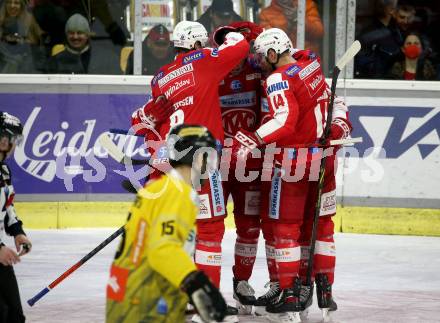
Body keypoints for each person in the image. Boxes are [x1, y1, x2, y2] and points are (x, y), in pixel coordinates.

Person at [130, 20, 250, 323]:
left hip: (170, 165)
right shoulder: (205, 61)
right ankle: (204, 306)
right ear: (197, 45)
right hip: (202, 160)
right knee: (209, 231)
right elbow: (241, 46)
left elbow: (142, 123)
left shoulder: (161, 77)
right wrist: (228, 33)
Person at [231, 28, 352, 322]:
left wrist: (252, 138)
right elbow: (335, 105)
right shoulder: (311, 64)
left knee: (284, 228)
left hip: (292, 162)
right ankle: (323, 290)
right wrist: (339, 127)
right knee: (321, 227)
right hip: (324, 159)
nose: (259, 63)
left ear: (273, 53)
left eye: (262, 57)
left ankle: (289, 293)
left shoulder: (277, 79)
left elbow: (284, 120)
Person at [106, 124, 227, 323]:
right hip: (141, 299)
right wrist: (196, 283)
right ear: (196, 158)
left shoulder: (163, 187)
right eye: (209, 157)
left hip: (131, 291)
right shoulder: (176, 194)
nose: (211, 167)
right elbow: (163, 249)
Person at [213, 21, 264, 315]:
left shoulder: (259, 71)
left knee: (249, 228)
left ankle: (242, 283)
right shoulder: (209, 72)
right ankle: (206, 286)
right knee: (211, 229)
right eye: (223, 45)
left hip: (253, 164)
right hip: (217, 165)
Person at [0, 111, 32, 323]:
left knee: (14, 315)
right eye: (12, 139)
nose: (10, 143)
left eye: (14, 139)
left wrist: (17, 231)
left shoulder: (4, 171)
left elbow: (7, 208)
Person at [47, 13, 120, 74]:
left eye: (80, 33)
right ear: (66, 35)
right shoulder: (55, 61)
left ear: (87, 35)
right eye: (71, 33)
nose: (75, 37)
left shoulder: (106, 58)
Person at [355, 0, 404, 79]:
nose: (398, 10)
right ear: (391, 10)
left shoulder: (396, 30)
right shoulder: (372, 34)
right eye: (396, 8)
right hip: (376, 81)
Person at [258, 0, 324, 54]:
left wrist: (300, 19)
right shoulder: (266, 14)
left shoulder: (306, 5)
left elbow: (319, 32)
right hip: (283, 62)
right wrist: (288, 26)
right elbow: (268, 44)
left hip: (308, 59)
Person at [0, 0, 43, 73]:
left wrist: (23, 42)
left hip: (25, 70)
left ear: (22, 6)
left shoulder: (29, 22)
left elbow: (38, 47)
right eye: (9, 2)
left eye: (16, 3)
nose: (12, 5)